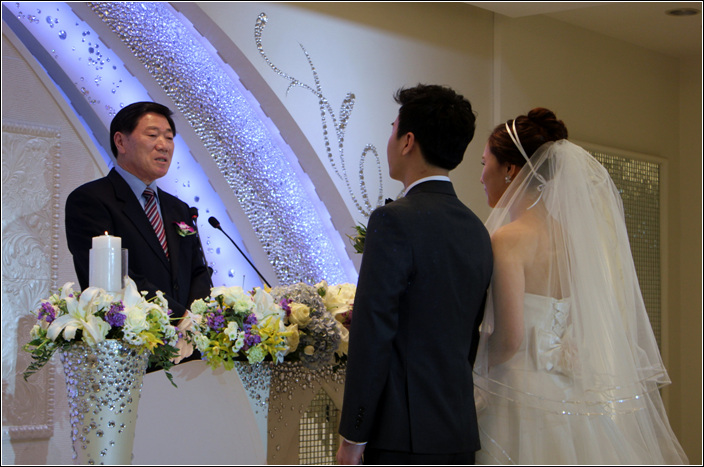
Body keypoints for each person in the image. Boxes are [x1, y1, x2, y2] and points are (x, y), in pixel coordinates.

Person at [473, 108, 689, 464]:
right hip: (567, 392)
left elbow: (510, 339)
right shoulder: (572, 239)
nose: (481, 175)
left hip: (516, 393)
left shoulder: (508, 239)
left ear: (509, 168)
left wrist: (472, 363)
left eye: (484, 163)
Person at [336, 84, 493, 465]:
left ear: (408, 141)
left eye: (393, 129)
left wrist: (353, 435)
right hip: (457, 433)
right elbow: (469, 337)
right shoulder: (477, 229)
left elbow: (373, 334)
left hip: (400, 435)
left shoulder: (393, 221)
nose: (389, 139)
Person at [65, 101, 212, 366]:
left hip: (189, 352)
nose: (164, 145)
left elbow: (198, 270)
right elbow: (113, 279)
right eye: (153, 135)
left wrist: (196, 321)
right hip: (130, 350)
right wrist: (178, 317)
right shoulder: (90, 200)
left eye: (169, 137)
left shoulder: (179, 208)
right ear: (121, 142)